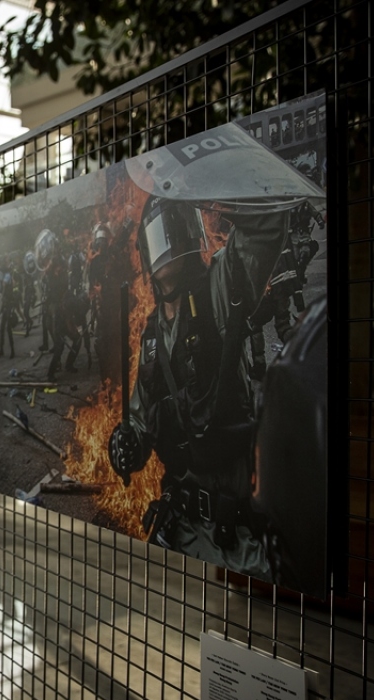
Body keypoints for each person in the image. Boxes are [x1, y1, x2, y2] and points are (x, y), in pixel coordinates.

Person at [108, 195, 289, 579]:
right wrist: (126, 444)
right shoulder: (152, 335)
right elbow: (140, 419)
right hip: (180, 533)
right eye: (162, 233)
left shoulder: (219, 288)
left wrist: (210, 189)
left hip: (234, 542)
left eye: (177, 226)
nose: (170, 241)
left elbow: (268, 225)